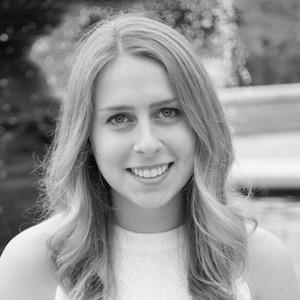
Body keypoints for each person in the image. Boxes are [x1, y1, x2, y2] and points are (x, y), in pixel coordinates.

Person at [0, 11, 299, 300]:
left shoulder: (261, 261)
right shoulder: (30, 263)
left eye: (168, 112)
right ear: (87, 137)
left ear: (202, 123)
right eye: (119, 118)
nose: (147, 144)